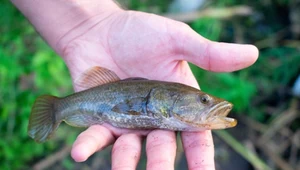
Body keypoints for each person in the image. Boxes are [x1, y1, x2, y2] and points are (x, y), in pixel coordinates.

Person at [11, 0, 258, 169]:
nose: (209, 103)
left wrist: (94, 21)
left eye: (206, 101)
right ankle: (56, 109)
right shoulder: (158, 106)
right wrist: (91, 25)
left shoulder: (167, 110)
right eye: (203, 100)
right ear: (166, 99)